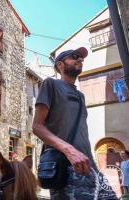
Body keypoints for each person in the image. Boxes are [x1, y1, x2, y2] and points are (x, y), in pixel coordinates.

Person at [33, 47, 117, 199]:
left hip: (89, 165)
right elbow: (37, 127)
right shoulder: (50, 84)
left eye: (81, 58)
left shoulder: (81, 96)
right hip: (66, 166)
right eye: (74, 56)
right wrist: (69, 150)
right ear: (60, 65)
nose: (80, 59)